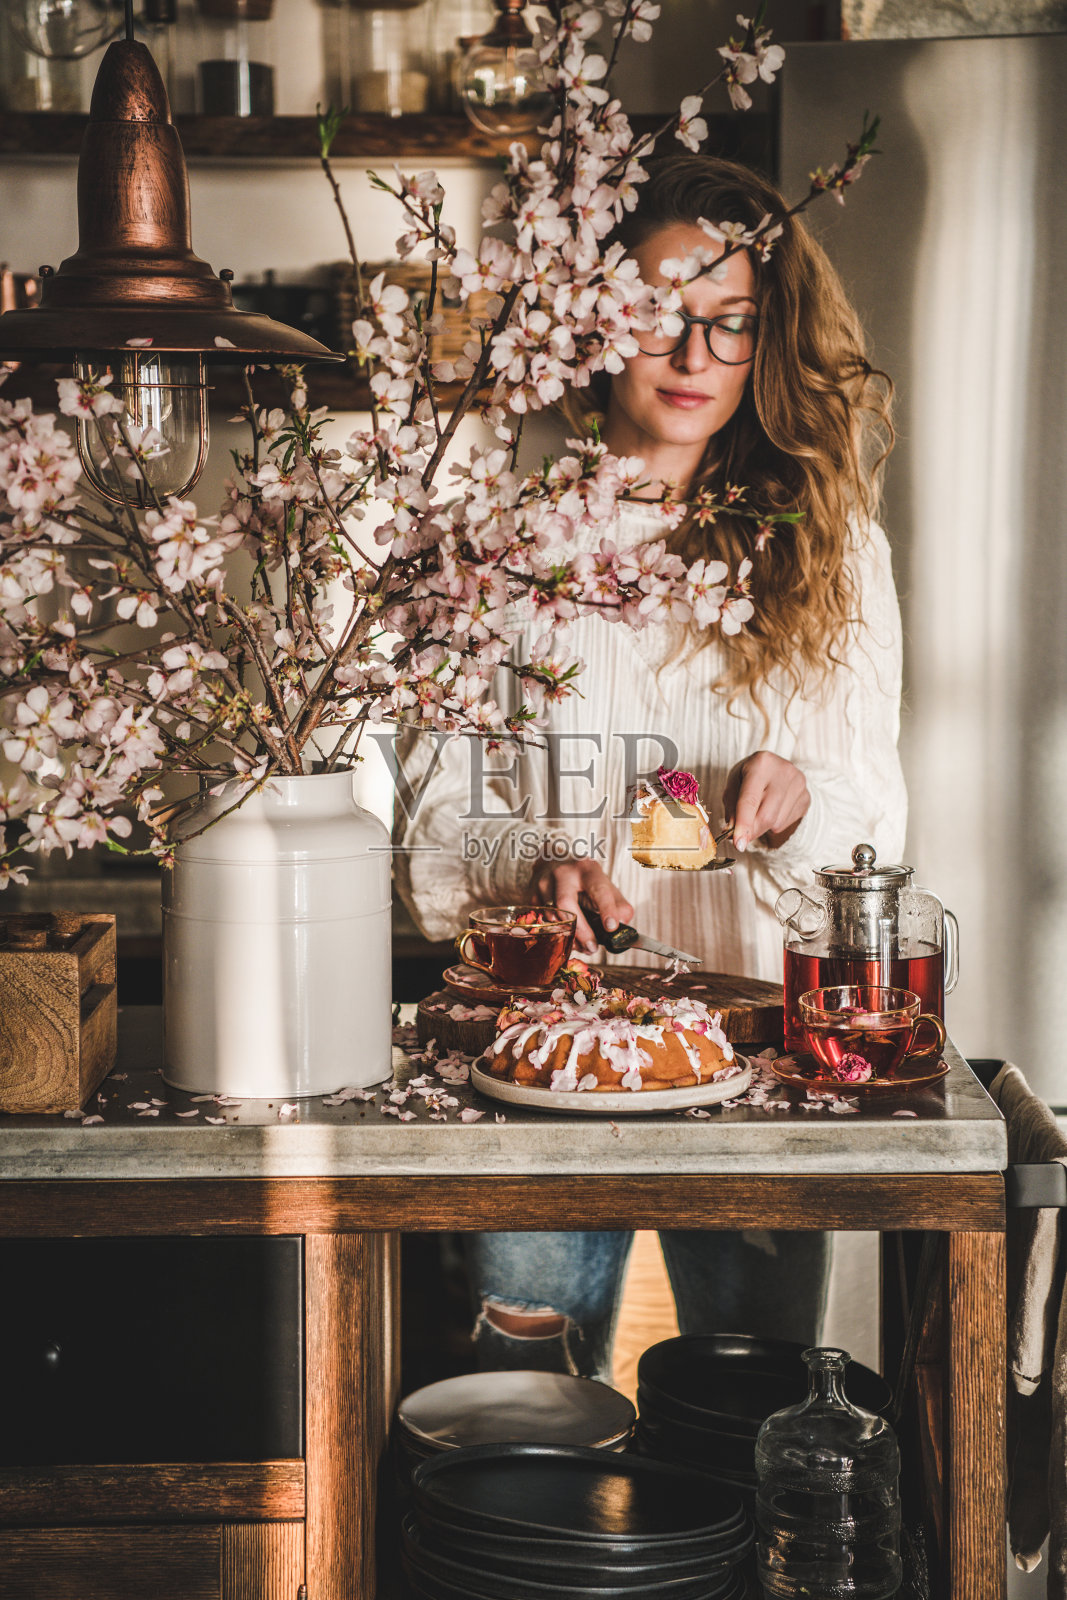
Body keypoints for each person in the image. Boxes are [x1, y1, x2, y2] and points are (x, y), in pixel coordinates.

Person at [394, 154, 907, 1380]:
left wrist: (793, 814)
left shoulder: (829, 560)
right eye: (653, 315)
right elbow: (426, 838)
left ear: (766, 339)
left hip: (757, 1075)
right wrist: (537, 864)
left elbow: (873, 834)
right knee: (523, 1414)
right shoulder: (484, 553)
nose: (690, 356)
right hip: (528, 1071)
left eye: (728, 324)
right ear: (586, 322)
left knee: (754, 1407)